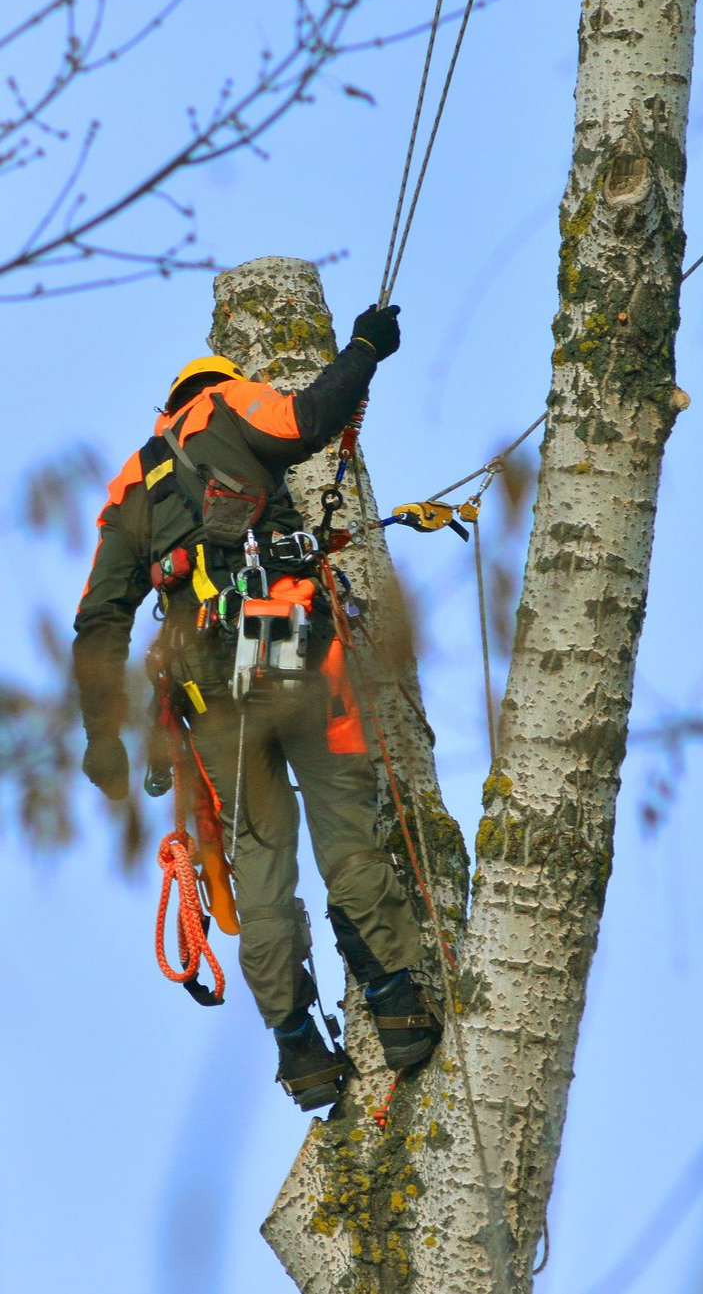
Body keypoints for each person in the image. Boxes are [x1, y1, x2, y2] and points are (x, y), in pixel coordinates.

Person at [73, 302, 443, 1110]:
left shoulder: (130, 489)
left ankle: (299, 1048)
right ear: (215, 388)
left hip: (205, 692)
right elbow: (306, 420)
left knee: (261, 865)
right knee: (344, 820)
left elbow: (100, 618)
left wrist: (101, 736)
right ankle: (397, 1000)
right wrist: (365, 350)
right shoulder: (229, 406)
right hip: (280, 641)